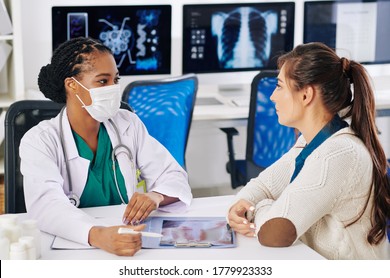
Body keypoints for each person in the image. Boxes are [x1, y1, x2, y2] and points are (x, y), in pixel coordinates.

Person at [20, 37, 192, 256]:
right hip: (75, 245)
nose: (113, 88)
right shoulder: (40, 140)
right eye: (103, 81)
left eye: (115, 80)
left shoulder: (127, 123)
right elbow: (45, 204)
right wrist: (97, 235)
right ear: (72, 85)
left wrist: (156, 196)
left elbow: (173, 175)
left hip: (127, 239)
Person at [227, 42, 390, 259]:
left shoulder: (339, 153)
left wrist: (258, 208)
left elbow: (275, 233)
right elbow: (264, 185)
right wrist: (242, 205)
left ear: (306, 96)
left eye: (280, 86)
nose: (273, 96)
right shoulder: (312, 141)